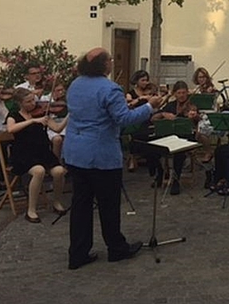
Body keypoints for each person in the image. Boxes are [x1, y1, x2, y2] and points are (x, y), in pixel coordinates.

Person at [63, 47, 162, 270]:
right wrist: (149, 106)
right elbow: (124, 120)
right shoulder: (110, 88)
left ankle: (77, 253)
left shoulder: (76, 84)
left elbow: (93, 111)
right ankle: (116, 248)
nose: (111, 60)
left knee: (81, 205)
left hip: (75, 151)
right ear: (103, 65)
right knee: (108, 205)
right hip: (100, 154)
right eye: (109, 58)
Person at [6, 88, 68, 223]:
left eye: (33, 100)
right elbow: (11, 129)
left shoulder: (41, 113)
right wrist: (33, 121)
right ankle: (31, 210)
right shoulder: (14, 115)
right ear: (20, 103)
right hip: (23, 154)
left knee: (59, 171)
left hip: (42, 152)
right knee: (39, 171)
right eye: (28, 101)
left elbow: (57, 128)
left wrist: (69, 117)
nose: (33, 103)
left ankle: (57, 202)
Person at [147, 80, 200, 195]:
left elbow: (198, 121)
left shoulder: (191, 106)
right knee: (151, 148)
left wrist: (194, 117)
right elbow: (153, 118)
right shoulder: (170, 106)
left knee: (179, 153)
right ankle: (160, 173)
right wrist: (163, 114)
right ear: (175, 94)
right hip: (169, 137)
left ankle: (176, 180)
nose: (182, 95)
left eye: (184, 93)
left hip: (186, 138)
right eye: (179, 93)